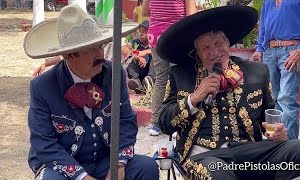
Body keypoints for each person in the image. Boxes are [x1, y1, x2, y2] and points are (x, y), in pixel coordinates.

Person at [156, 6, 300, 180]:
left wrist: (278, 132)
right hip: (206, 158)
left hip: (249, 155)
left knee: (298, 150)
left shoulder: (256, 72)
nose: (214, 52)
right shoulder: (181, 75)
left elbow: (269, 123)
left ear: (228, 43)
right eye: (206, 47)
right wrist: (194, 98)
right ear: (198, 54)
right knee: (218, 172)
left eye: (218, 43)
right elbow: (164, 123)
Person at [24, 4, 159, 180]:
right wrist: (82, 177)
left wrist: (119, 163)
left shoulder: (114, 73)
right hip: (63, 166)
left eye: (101, 46)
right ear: (70, 55)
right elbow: (44, 143)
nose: (100, 54)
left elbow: (126, 120)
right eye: (92, 49)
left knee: (146, 167)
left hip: (105, 160)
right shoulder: (43, 86)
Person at [250, 0, 300, 140]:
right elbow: (263, 24)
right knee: (271, 99)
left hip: (291, 51)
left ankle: (291, 145)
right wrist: (259, 49)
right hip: (269, 51)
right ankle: (274, 142)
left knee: (286, 98)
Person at [142, 0, 196, 136]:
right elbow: (191, 16)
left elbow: (144, 12)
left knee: (161, 80)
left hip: (155, 37)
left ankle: (155, 123)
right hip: (176, 38)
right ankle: (180, 120)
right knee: (180, 77)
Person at [122, 20, 155, 94]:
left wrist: (145, 52)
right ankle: (136, 83)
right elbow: (124, 49)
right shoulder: (136, 42)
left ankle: (151, 81)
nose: (141, 34)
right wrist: (138, 57)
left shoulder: (153, 42)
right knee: (130, 56)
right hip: (139, 72)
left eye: (144, 32)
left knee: (155, 56)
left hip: (150, 73)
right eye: (140, 31)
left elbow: (158, 50)